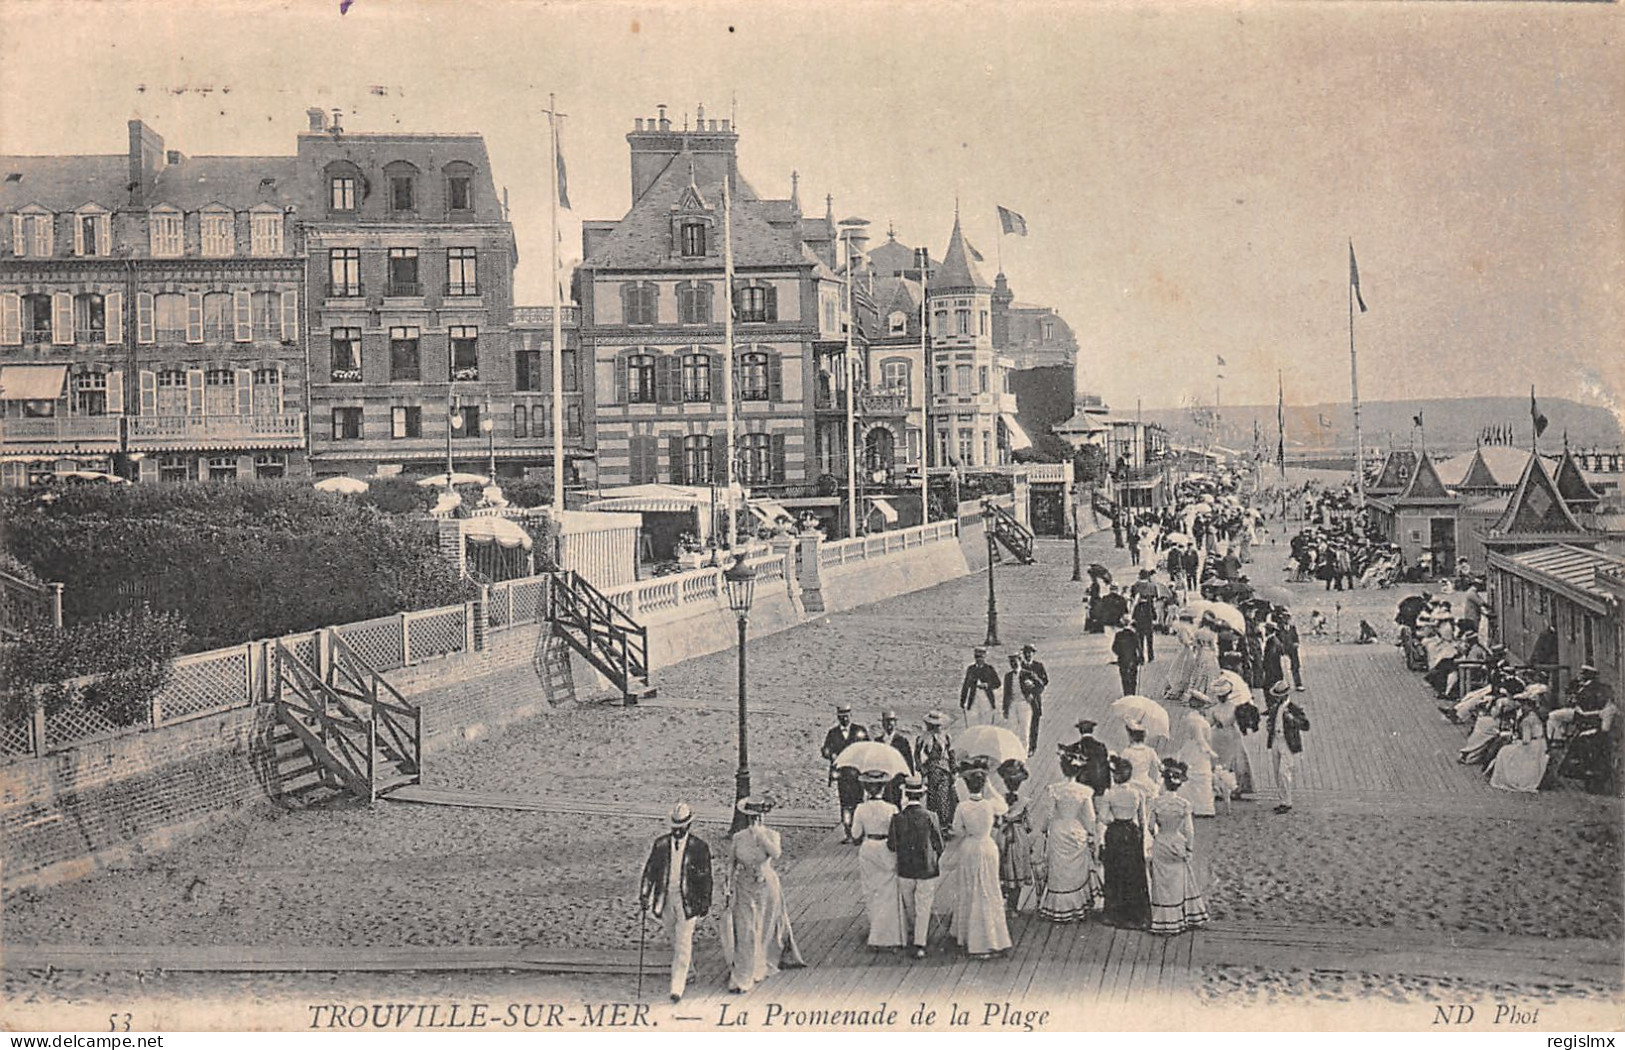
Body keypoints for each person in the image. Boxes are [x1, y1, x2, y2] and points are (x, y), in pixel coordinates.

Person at [725, 797, 804, 993]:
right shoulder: (739, 837)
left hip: (766, 884)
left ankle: (760, 965)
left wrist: (762, 838)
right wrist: (727, 885)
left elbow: (776, 854)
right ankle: (743, 976)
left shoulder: (772, 834)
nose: (755, 821)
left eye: (758, 817)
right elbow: (731, 863)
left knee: (764, 926)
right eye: (751, 818)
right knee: (745, 929)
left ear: (764, 816)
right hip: (744, 884)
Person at [638, 802, 713, 1003]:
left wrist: (705, 901)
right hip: (666, 898)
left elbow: (706, 877)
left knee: (683, 942)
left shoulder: (699, 847)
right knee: (674, 937)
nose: (678, 831)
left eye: (681, 827)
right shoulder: (661, 844)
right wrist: (645, 895)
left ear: (688, 826)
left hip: (688, 901)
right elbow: (650, 871)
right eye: (674, 827)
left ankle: (676, 988)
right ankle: (688, 972)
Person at [949, 761, 1012, 958]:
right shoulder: (989, 805)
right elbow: (1003, 807)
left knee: (969, 888)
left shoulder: (962, 807)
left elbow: (957, 830)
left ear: (967, 786)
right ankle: (992, 938)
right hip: (987, 847)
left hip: (969, 847)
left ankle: (968, 936)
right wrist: (990, 787)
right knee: (989, 888)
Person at [1033, 744, 1102, 922]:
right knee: (1076, 869)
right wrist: (1091, 834)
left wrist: (1043, 829)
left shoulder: (1054, 789)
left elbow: (1048, 815)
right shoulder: (1085, 791)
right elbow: (1090, 818)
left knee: (1059, 868)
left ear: (1063, 769)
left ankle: (1058, 906)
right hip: (1076, 830)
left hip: (1059, 830)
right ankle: (1077, 905)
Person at [1148, 760, 1210, 935]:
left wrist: (1157, 837)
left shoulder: (1156, 803)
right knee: (1178, 879)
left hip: (1161, 841)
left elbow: (1150, 826)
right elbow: (1189, 830)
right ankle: (1180, 915)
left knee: (1161, 880)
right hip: (1177, 840)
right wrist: (1188, 848)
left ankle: (1162, 917)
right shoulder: (1184, 804)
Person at [888, 775, 944, 959]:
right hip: (926, 868)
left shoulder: (897, 818)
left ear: (906, 794)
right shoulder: (931, 817)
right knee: (924, 904)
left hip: (905, 868)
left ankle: (913, 932)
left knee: (909, 904)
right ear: (921, 796)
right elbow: (939, 845)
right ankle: (920, 942)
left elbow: (891, 845)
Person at [851, 770, 906, 949]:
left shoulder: (861, 808)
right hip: (886, 848)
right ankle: (890, 935)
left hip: (868, 847)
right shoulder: (892, 808)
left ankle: (875, 931)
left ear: (866, 789)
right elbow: (898, 833)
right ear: (883, 787)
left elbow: (855, 834)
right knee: (888, 891)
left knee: (870, 890)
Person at [1097, 756, 1152, 930]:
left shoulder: (1110, 794)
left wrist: (1112, 822)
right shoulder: (1137, 793)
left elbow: (1102, 817)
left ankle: (1113, 913)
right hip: (1132, 831)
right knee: (1134, 872)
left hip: (1115, 832)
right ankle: (1135, 913)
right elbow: (1143, 820)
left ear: (1115, 776)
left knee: (1114, 871)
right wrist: (1141, 836)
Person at [821, 703, 870, 843]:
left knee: (859, 804)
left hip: (858, 775)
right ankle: (848, 833)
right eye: (841, 716)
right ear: (838, 717)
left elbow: (868, 747)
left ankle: (860, 833)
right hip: (843, 777)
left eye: (847, 716)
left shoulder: (859, 731)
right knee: (846, 806)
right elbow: (826, 750)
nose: (844, 719)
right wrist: (829, 754)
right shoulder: (833, 733)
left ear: (851, 715)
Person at [994, 759, 1035, 915]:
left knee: (1003, 866)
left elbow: (996, 821)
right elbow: (1029, 825)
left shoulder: (1000, 800)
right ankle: (1013, 907)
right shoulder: (1024, 802)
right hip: (1018, 836)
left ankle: (1002, 898)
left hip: (1003, 835)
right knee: (1017, 867)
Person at [1204, 678, 1255, 798]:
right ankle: (1223, 789)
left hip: (1225, 736)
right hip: (1223, 736)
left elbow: (1210, 723)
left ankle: (1229, 788)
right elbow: (1209, 723)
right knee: (1225, 762)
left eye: (1222, 696)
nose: (1221, 698)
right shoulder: (1223, 708)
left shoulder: (1226, 708)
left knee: (1230, 761)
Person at [1488, 698, 1548, 793]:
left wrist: (1516, 742)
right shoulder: (1536, 717)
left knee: (1504, 751)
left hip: (1531, 747)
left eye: (1524, 705)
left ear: (1529, 706)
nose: (1523, 708)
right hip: (1541, 744)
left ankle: (1511, 778)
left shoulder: (1526, 721)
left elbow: (1526, 740)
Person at [1266, 685, 1309, 813]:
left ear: (1285, 695)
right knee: (1276, 771)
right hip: (1276, 740)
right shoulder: (1275, 707)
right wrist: (1269, 726)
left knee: (1284, 772)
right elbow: (1271, 721)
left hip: (1287, 742)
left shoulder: (1293, 708)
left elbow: (1305, 725)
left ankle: (1287, 801)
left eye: (1280, 696)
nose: (1278, 699)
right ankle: (1282, 800)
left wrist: (1292, 719)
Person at [915, 711, 958, 835]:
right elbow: (917, 755)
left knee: (944, 797)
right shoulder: (923, 738)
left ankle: (944, 824)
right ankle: (934, 824)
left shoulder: (946, 737)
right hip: (931, 770)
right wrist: (921, 768)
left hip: (945, 771)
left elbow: (952, 754)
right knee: (932, 797)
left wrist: (954, 770)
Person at [1177, 698, 1218, 817]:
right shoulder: (1196, 720)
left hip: (1192, 748)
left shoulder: (1193, 717)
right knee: (1201, 774)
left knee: (1194, 775)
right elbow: (1200, 739)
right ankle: (1202, 807)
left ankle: (1193, 804)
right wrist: (1210, 752)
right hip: (1197, 750)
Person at [872, 710, 914, 807]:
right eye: (887, 722)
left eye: (892, 722)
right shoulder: (878, 741)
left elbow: (908, 761)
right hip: (882, 780)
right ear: (883, 724)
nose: (889, 725)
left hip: (897, 779)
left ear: (895, 723)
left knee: (896, 803)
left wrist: (908, 779)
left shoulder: (902, 741)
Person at [1019, 644, 1049, 754]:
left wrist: (1035, 685)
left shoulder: (1039, 666)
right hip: (1023, 700)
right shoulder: (1020, 666)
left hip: (1035, 699)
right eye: (1026, 653)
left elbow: (1044, 683)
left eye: (1030, 653)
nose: (1028, 655)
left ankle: (1032, 747)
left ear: (1033, 654)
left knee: (1034, 724)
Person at [959, 647, 1001, 725]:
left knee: (986, 722)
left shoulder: (989, 669)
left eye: (981, 657)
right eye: (977, 657)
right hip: (973, 698)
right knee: (973, 722)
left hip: (986, 699)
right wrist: (963, 701)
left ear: (984, 657)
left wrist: (987, 685)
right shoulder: (971, 669)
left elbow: (997, 683)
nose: (979, 660)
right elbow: (966, 685)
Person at [1002, 653, 1034, 752]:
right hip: (1012, 704)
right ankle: (1014, 752)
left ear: (1020, 661)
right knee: (1012, 730)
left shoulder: (1027, 674)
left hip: (1024, 704)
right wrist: (1005, 709)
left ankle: (1023, 753)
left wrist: (1032, 691)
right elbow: (1006, 693)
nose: (1013, 664)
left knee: (1024, 730)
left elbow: (1040, 685)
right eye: (1011, 662)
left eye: (1015, 661)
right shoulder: (1008, 676)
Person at [1072, 718, 1112, 796]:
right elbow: (1106, 765)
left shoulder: (1076, 747)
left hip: (1083, 785)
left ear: (1080, 731)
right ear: (1092, 730)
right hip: (1099, 785)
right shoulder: (1101, 746)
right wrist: (1107, 785)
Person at [1121, 724, 1162, 797]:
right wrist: (1158, 784)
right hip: (1146, 783)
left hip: (1131, 783)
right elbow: (1160, 768)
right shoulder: (1150, 751)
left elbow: (1120, 769)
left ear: (1131, 737)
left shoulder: (1127, 752)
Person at [1275, 611, 1304, 691]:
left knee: (1295, 666)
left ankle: (1298, 683)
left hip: (1292, 649)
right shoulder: (1279, 629)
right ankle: (1285, 684)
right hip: (1283, 650)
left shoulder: (1292, 628)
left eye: (1288, 618)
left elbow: (1296, 638)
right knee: (1283, 666)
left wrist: (1296, 643)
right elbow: (1277, 639)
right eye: (1285, 618)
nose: (1287, 620)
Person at [1112, 625, 1142, 696]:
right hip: (1133, 659)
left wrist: (1119, 654)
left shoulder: (1118, 635)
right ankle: (1132, 692)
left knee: (1124, 677)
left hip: (1122, 659)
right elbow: (1139, 647)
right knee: (1133, 677)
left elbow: (1114, 648)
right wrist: (1140, 658)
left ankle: (1126, 693)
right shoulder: (1134, 635)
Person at [1133, 591, 1158, 665]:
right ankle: (1150, 657)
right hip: (1148, 626)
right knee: (1149, 643)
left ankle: (1141, 658)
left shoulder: (1137, 606)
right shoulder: (1149, 607)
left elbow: (1134, 617)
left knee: (1140, 643)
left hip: (1140, 626)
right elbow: (1155, 616)